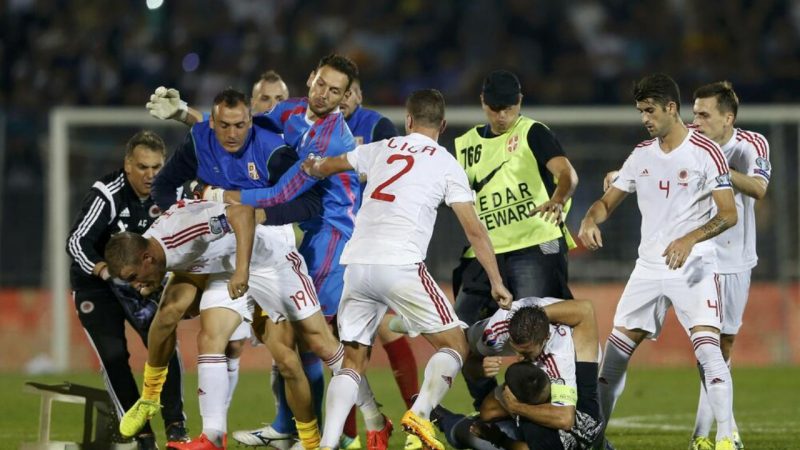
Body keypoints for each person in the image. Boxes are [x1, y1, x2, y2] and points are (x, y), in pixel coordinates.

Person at [301, 88, 513, 450]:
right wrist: (496, 281)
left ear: (409, 120)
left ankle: (327, 444)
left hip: (357, 263)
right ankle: (421, 411)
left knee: (352, 361)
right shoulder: (445, 162)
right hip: (400, 263)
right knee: (455, 345)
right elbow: (474, 229)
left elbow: (330, 164)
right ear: (442, 125)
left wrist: (311, 165)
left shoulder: (382, 148)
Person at [107, 200, 349, 450]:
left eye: (134, 278)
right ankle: (203, 432)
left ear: (147, 259)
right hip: (225, 265)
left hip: (265, 256)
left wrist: (242, 271)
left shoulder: (182, 232)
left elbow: (242, 214)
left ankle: (313, 441)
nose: (136, 286)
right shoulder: (153, 250)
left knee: (288, 359)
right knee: (193, 328)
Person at [578, 73, 738, 450]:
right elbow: (607, 203)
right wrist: (589, 219)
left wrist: (689, 238)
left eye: (650, 111)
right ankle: (594, 439)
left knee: (708, 350)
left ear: (671, 108)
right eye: (640, 111)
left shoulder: (706, 151)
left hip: (695, 264)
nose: (645, 118)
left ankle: (727, 439)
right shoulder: (641, 155)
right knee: (614, 357)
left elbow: (728, 213)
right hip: (648, 267)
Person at [452, 69, 578, 408]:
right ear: (483, 103)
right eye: (495, 108)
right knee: (458, 335)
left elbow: (566, 174)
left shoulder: (533, 132)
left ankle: (556, 407)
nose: (502, 115)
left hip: (534, 245)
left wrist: (558, 199)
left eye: (508, 107)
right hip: (484, 254)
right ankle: (489, 408)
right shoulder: (465, 146)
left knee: (542, 331)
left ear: (519, 102)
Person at [66, 130, 188, 449]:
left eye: (157, 167)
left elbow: (186, 238)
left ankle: (176, 426)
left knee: (164, 344)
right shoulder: (107, 193)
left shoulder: (173, 192)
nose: (150, 175)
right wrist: (106, 272)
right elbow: (76, 242)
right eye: (143, 167)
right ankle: (142, 434)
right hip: (96, 287)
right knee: (114, 358)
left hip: (140, 285)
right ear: (128, 165)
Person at [686, 81, 770, 450]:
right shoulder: (687, 138)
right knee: (706, 342)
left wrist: (717, 166)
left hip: (736, 258)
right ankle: (721, 432)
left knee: (724, 344)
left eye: (704, 115)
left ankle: (705, 433)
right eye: (694, 113)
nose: (696, 121)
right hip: (696, 254)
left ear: (728, 118)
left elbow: (758, 188)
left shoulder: (752, 144)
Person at [435, 297, 603, 450]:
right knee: (487, 415)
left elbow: (565, 419)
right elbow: (461, 350)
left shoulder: (561, 359)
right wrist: (478, 368)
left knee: (481, 433)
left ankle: (445, 420)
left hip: (549, 410)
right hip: (575, 419)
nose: (519, 358)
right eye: (516, 350)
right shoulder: (498, 329)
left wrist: (512, 415)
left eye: (527, 353)